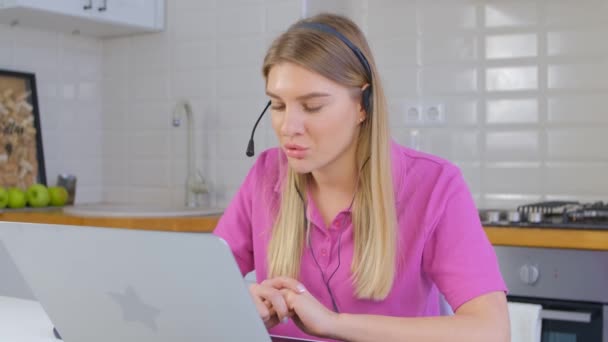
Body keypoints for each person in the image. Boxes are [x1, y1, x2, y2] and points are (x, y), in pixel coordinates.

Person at [213, 13, 509, 342]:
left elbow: (491, 331)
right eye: (278, 105)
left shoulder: (435, 185)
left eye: (312, 107)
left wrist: (332, 323)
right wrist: (239, 303)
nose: (288, 127)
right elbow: (196, 286)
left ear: (362, 105)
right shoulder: (266, 175)